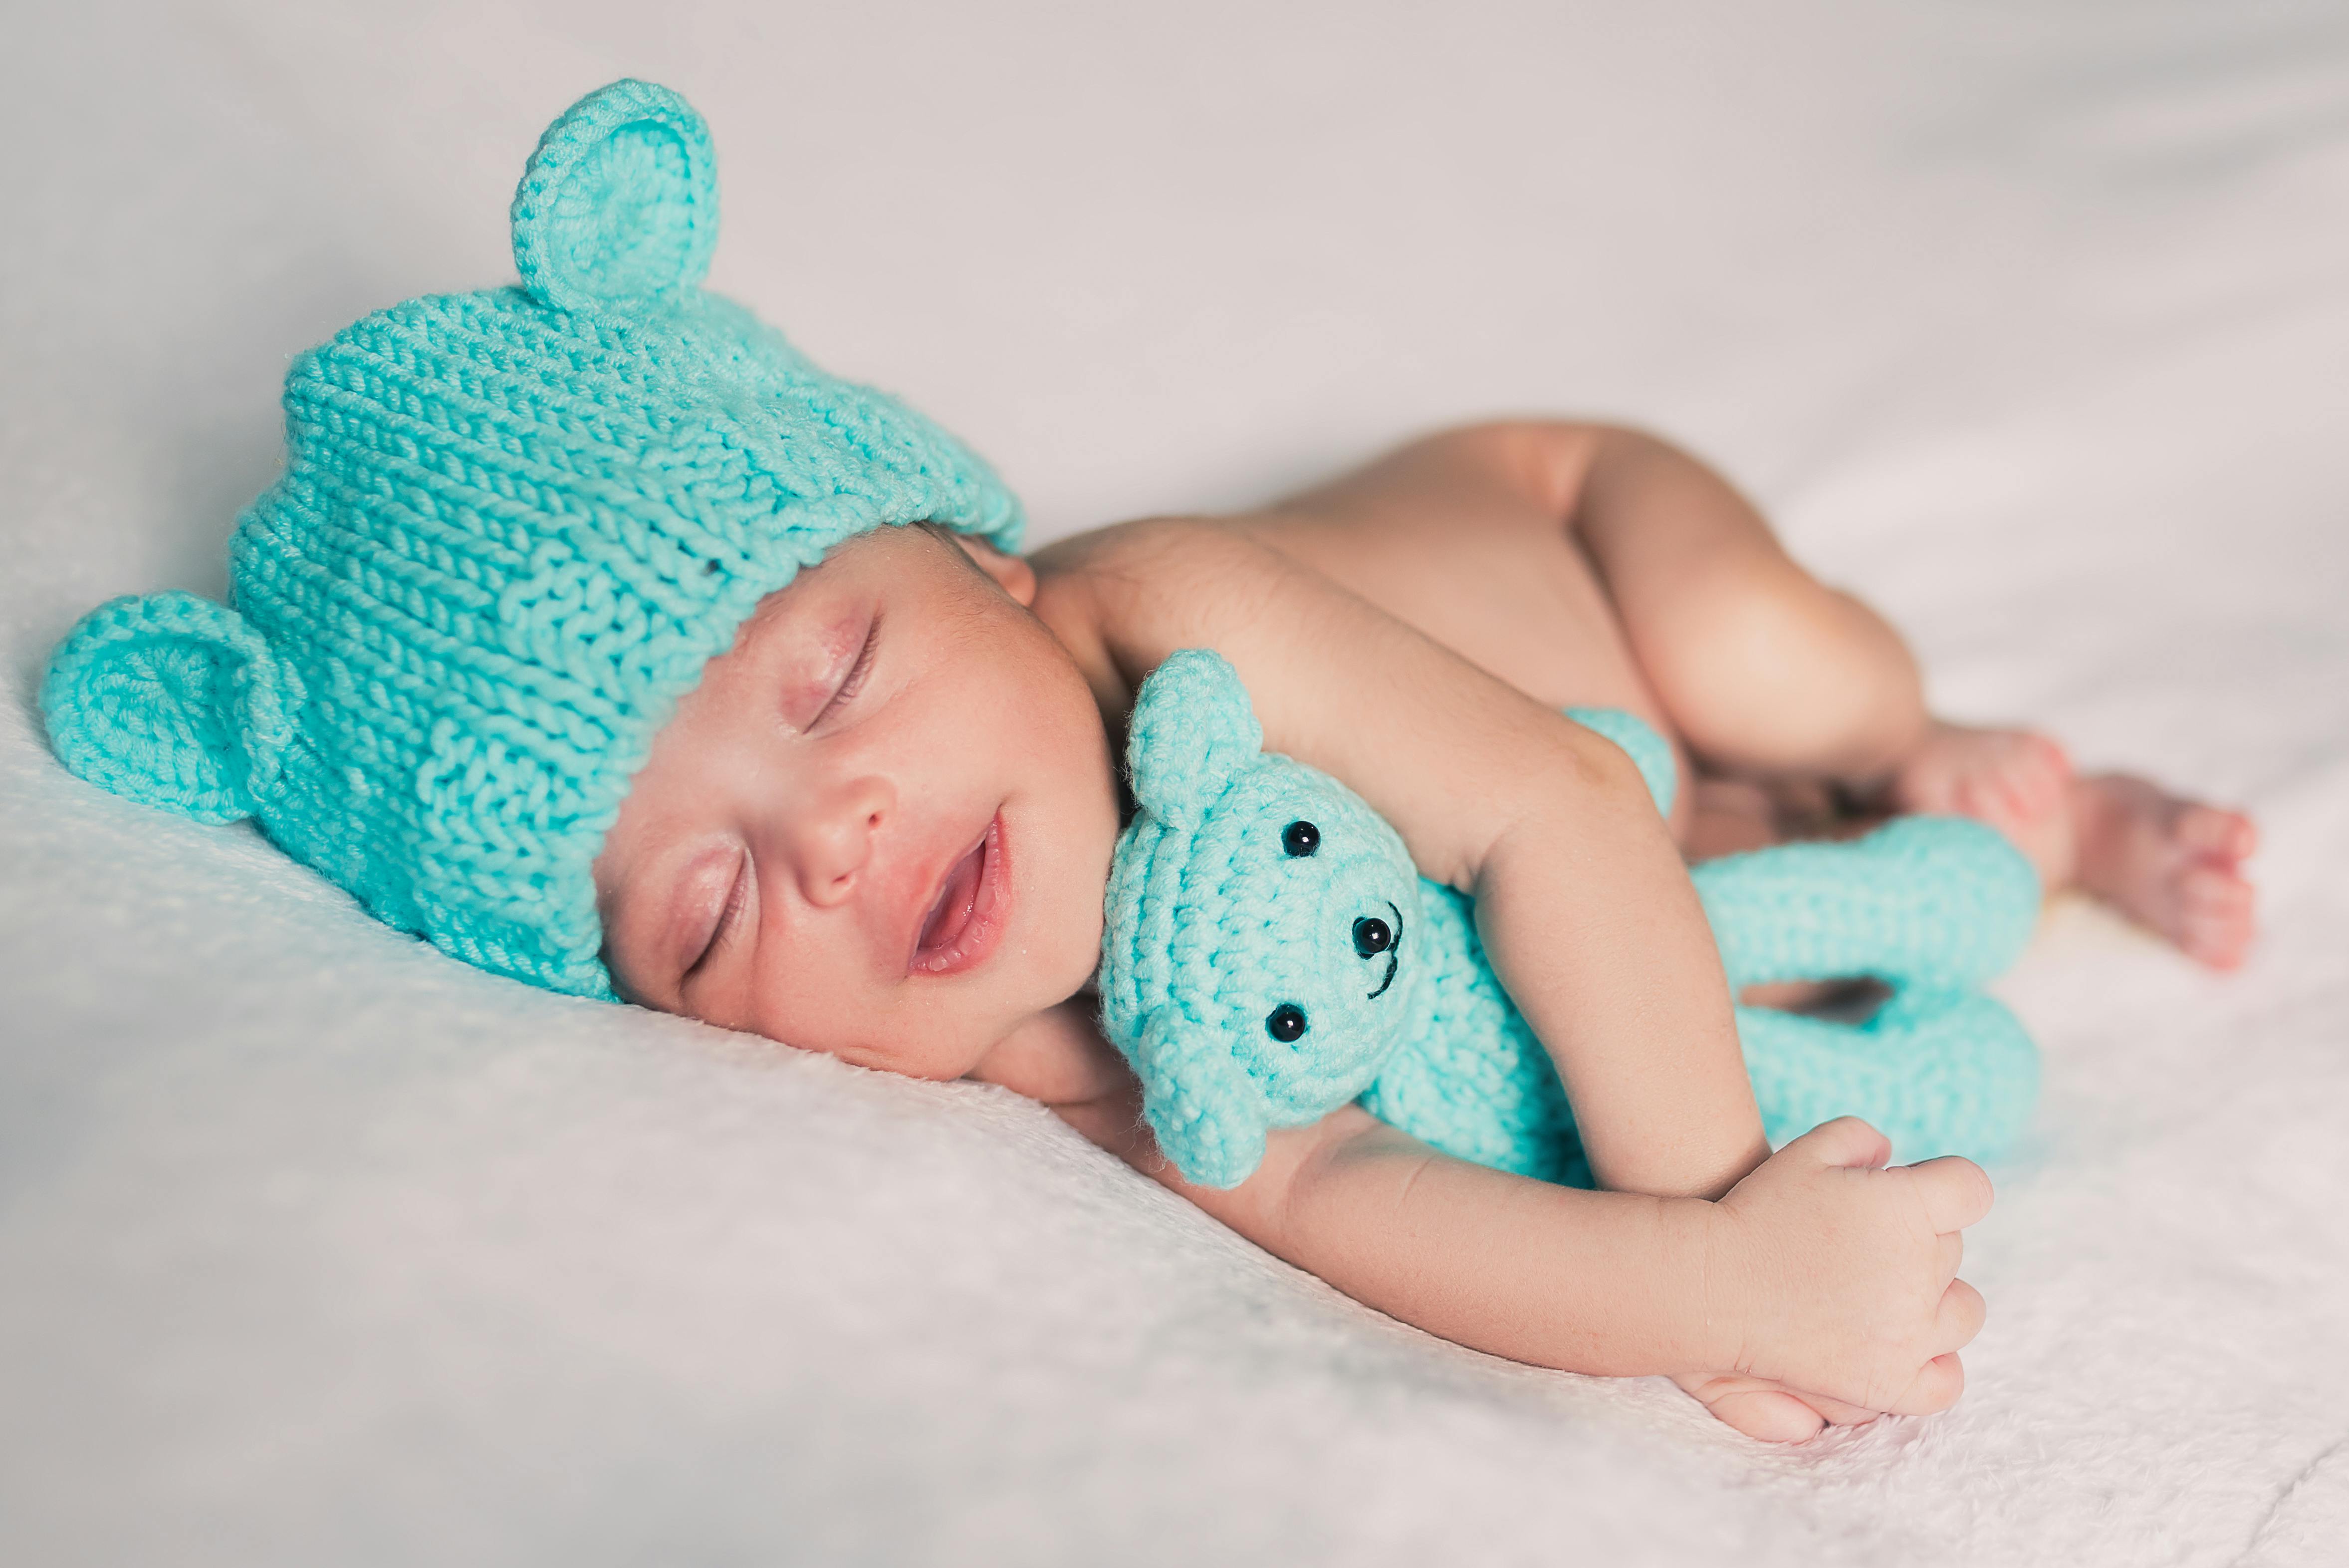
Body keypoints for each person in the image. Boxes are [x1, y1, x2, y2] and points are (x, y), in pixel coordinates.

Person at [40, 81, 2256, 1446]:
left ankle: (1984, 769)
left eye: (826, 683)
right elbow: (1327, 1192)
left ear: (992, 567)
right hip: (1611, 816)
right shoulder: (1022, 1037)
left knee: (1778, 667)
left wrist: (1716, 1228)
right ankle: (1831, 810)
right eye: (705, 912)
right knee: (1726, 837)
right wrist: (1705, 1315)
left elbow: (1560, 813)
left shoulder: (1179, 607)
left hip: (1579, 520)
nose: (836, 842)